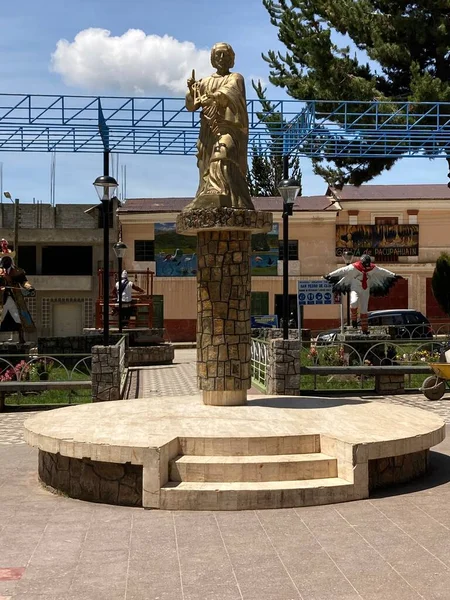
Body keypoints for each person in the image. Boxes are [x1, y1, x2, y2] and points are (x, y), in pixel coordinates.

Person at [184, 42, 254, 211]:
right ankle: (207, 195)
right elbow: (191, 106)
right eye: (218, 55)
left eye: (226, 55)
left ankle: (222, 193)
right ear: (213, 59)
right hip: (208, 131)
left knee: (223, 153)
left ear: (232, 59)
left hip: (228, 129)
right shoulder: (205, 81)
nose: (222, 58)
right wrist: (192, 91)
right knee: (205, 168)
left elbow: (231, 92)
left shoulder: (236, 78)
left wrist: (214, 97)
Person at [324, 254, 403, 334]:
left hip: (365, 289)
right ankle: (354, 319)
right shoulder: (353, 267)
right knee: (353, 302)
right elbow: (342, 270)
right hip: (355, 288)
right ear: (362, 263)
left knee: (364, 309)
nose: (366, 267)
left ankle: (364, 329)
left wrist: (394, 275)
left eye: (368, 265)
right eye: (365, 265)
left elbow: (382, 271)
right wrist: (330, 275)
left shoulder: (372, 268)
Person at [0, 255, 35, 344]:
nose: (5, 262)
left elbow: (24, 282)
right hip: (2, 299)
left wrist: (29, 287)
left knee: (19, 318)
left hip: (14, 298)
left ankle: (21, 338)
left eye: (7, 260)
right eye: (4, 261)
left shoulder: (17, 271)